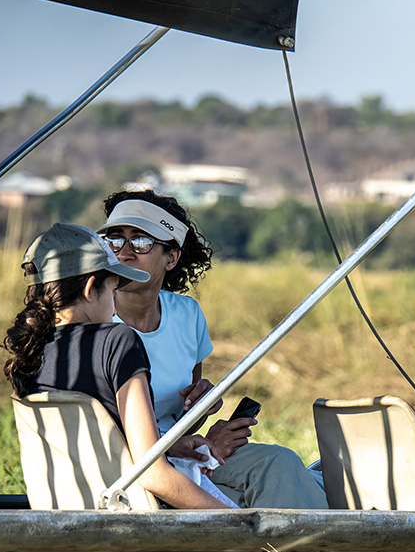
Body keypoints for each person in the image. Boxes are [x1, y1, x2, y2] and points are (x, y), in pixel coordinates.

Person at [97, 189, 326, 510]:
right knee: (281, 473)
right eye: (114, 239)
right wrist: (181, 447)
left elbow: (183, 422)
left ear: (171, 257)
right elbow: (101, 430)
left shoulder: (187, 315)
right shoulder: (97, 325)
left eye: (141, 241)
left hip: (179, 455)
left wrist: (200, 410)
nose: (124, 252)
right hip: (139, 468)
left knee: (285, 463)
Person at [1, 223, 229, 509]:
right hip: (132, 517)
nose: (114, 307)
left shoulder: (30, 348)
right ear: (89, 288)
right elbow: (153, 474)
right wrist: (239, 520)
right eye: (113, 291)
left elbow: (94, 452)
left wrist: (168, 448)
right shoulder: (117, 341)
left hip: (65, 515)